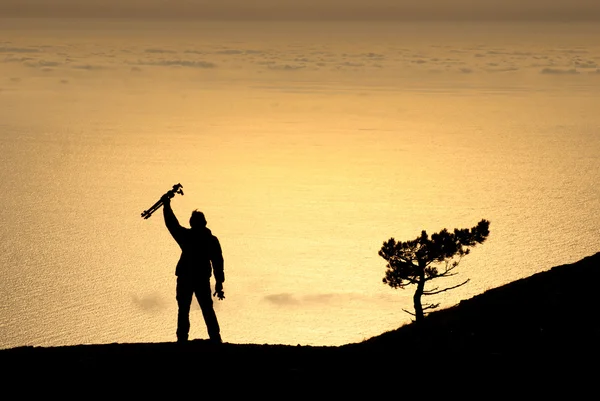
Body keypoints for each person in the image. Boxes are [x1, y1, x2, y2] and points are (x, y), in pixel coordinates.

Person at [161, 194, 225, 343]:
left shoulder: (186, 237)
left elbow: (172, 224)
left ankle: (182, 340)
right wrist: (219, 282)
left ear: (191, 223)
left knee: (183, 310)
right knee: (207, 309)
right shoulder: (211, 240)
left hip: (186, 277)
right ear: (205, 223)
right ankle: (216, 339)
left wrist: (166, 206)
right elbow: (218, 262)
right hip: (201, 278)